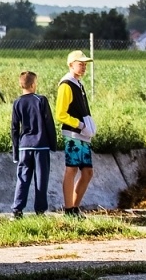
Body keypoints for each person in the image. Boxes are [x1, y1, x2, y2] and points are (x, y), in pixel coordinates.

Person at [53, 50, 95, 215]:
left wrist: (89, 125)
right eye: (80, 64)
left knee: (88, 172)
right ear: (71, 65)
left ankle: (75, 207)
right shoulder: (66, 85)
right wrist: (79, 125)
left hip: (83, 134)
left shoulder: (78, 84)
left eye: (85, 64)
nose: (84, 67)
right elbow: (60, 114)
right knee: (71, 169)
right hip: (73, 134)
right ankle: (69, 209)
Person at [10, 70, 55, 217]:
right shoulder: (41, 100)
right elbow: (49, 123)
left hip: (24, 146)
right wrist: (53, 144)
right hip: (41, 146)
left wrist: (16, 152)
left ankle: (17, 210)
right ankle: (40, 211)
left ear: (20, 84)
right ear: (34, 84)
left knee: (23, 178)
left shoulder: (17, 103)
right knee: (41, 179)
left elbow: (14, 128)